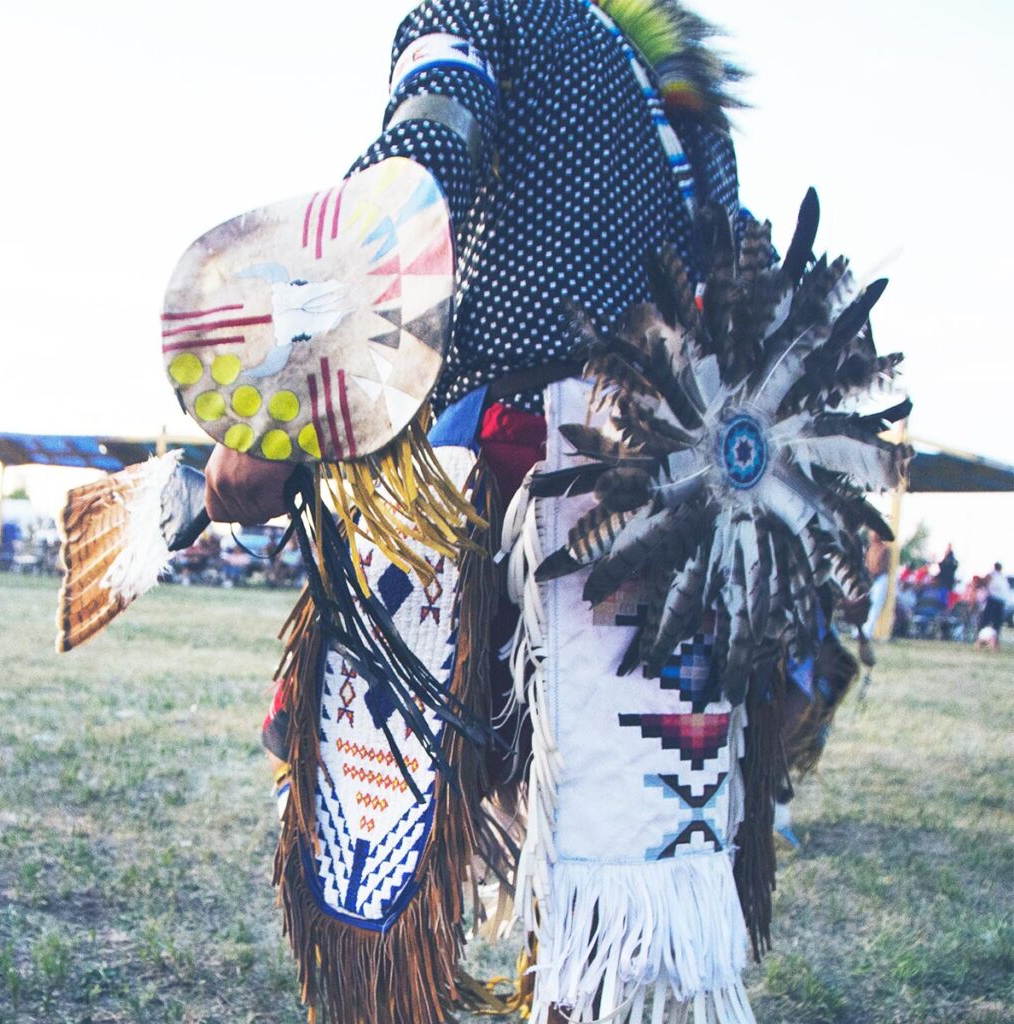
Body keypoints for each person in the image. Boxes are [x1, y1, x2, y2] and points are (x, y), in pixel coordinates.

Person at [195, 3, 864, 1023]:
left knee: (424, 832)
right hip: (679, 499)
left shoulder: (480, 11)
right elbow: (728, 264)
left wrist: (287, 401)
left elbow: (417, 178)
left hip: (535, 471)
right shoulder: (668, 76)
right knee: (617, 889)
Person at [858, 530, 890, 665]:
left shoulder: (885, 549)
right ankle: (859, 632)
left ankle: (867, 633)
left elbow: (881, 566)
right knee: (863, 604)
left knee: (875, 606)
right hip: (869, 579)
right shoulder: (869, 548)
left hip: (880, 579)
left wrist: (873, 575)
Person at [978, 562, 1011, 647]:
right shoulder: (1000, 577)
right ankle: (989, 641)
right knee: (994, 623)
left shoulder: (996, 576)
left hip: (995, 601)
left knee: (989, 621)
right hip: (997, 601)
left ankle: (986, 641)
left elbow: (984, 583)